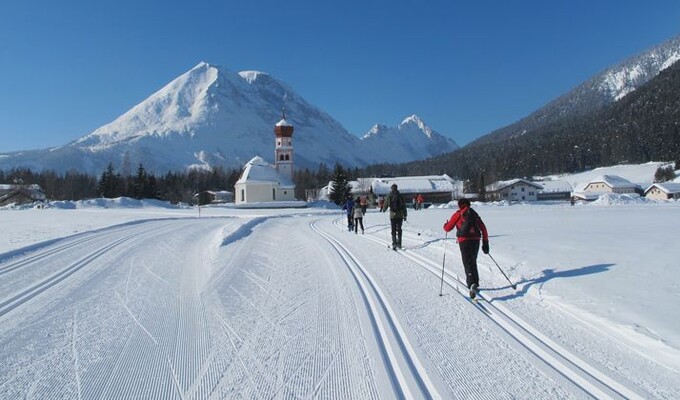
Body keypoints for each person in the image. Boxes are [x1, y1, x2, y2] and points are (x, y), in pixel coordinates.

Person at [443, 198, 489, 299]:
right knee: (473, 260)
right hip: (476, 240)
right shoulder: (474, 214)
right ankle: (475, 282)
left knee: (467, 262)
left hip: (464, 240)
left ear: (460, 205)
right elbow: (483, 228)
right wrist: (485, 243)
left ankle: (472, 283)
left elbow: (448, 228)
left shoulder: (458, 214)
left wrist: (445, 225)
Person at [381, 184, 407, 250]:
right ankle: (399, 243)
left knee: (393, 229)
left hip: (393, 215)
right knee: (399, 229)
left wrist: (384, 209)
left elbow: (386, 204)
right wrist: (405, 215)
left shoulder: (389, 195)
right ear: (397, 188)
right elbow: (404, 206)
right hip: (400, 215)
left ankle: (394, 243)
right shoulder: (400, 196)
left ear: (391, 188)